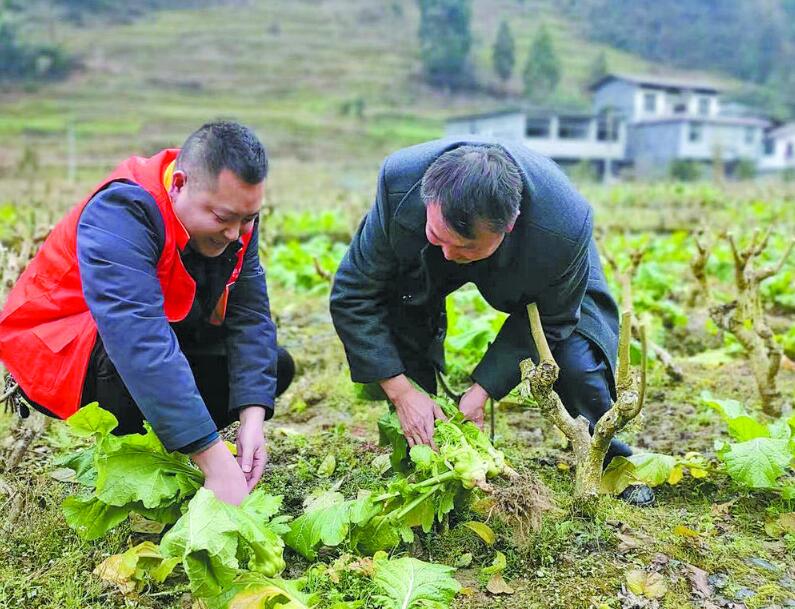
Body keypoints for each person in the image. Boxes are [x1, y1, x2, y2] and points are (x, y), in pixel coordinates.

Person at [330, 138, 654, 506]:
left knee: (575, 356)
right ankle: (422, 442)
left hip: (541, 250)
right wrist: (402, 392)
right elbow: (353, 293)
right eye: (439, 237)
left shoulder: (565, 225)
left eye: (465, 248)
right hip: (422, 254)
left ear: (509, 226)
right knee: (399, 311)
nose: (450, 256)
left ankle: (608, 459)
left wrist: (482, 390)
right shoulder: (401, 183)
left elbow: (554, 317)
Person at [0, 121, 294, 505]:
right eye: (223, 218)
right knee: (134, 373)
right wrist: (212, 457)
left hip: (153, 335)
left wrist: (252, 421)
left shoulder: (235, 221)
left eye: (249, 218)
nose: (235, 234)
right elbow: (138, 339)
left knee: (274, 367)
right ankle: (153, 445)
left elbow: (251, 315)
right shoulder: (122, 210)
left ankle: (169, 433)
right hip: (61, 353)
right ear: (179, 184)